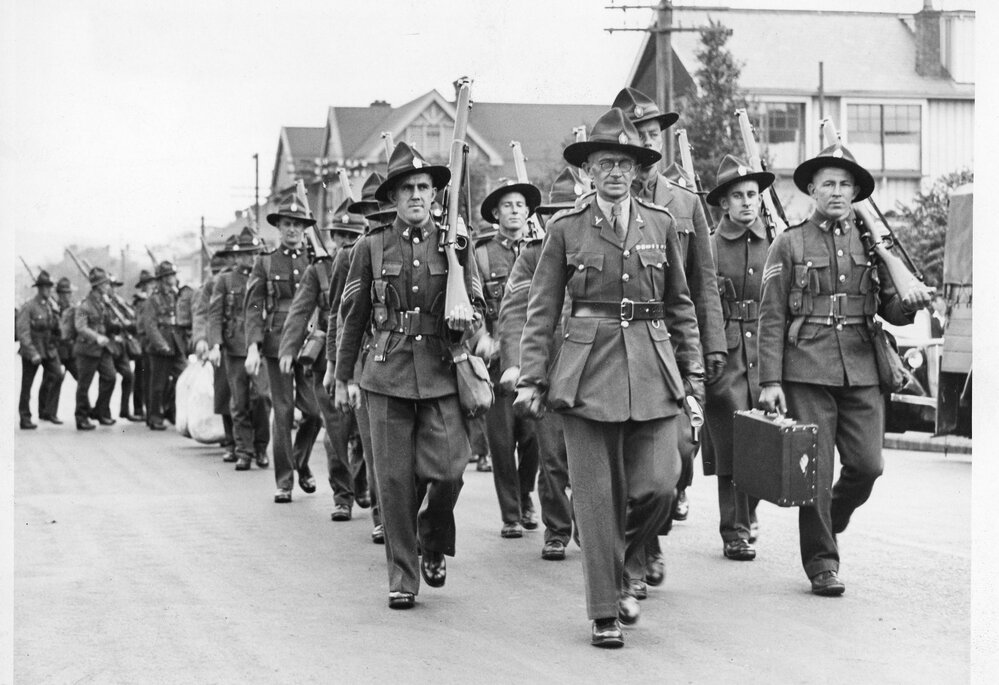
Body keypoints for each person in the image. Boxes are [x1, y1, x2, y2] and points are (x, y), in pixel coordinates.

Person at [514, 108, 703, 648]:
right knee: (596, 497)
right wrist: (531, 378)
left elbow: (681, 304)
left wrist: (692, 374)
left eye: (624, 162)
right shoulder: (565, 228)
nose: (616, 172)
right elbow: (541, 310)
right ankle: (603, 610)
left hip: (652, 366)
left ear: (638, 170)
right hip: (584, 374)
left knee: (660, 484)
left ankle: (624, 561)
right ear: (588, 172)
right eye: (605, 163)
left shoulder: (660, 224)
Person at [758, 143, 930, 596]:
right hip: (807, 367)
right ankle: (822, 563)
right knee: (814, 467)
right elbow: (771, 316)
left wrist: (910, 303)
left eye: (845, 184)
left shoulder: (874, 244)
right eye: (828, 183)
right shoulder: (789, 242)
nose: (837, 191)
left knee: (868, 466)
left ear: (855, 191)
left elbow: (890, 309)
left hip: (862, 365)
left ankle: (829, 520)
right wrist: (770, 382)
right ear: (812, 189)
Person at [334, 142, 482, 610]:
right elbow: (353, 316)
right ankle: (403, 576)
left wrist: (467, 317)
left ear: (435, 195)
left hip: (441, 371)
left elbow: (479, 306)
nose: (417, 195)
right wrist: (344, 376)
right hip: (386, 373)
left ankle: (433, 538)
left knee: (451, 471)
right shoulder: (371, 246)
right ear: (393, 199)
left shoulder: (456, 244)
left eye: (424, 187)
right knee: (394, 482)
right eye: (407, 189)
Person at [612, 86, 726, 590]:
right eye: (638, 134)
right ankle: (641, 552)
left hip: (672, 351)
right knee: (634, 462)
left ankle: (655, 523)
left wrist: (712, 348)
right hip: (619, 353)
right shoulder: (605, 200)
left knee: (679, 448)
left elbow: (701, 285)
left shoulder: (684, 204)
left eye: (653, 133)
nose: (646, 143)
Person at [496, 168, 585, 561]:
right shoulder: (533, 255)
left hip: (595, 369)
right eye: (556, 212)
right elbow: (515, 313)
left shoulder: (597, 248)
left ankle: (589, 524)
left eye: (572, 209)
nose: (563, 218)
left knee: (591, 457)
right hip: (549, 369)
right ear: (546, 217)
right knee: (553, 458)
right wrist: (517, 365)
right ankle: (556, 528)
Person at [701, 154, 772, 561]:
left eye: (752, 195)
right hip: (725, 355)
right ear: (723, 203)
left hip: (764, 352)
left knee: (763, 442)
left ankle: (748, 512)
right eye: (737, 196)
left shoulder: (776, 243)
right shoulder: (709, 246)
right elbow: (704, 302)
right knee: (731, 444)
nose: (747, 202)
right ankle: (735, 531)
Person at [280, 199, 368, 521]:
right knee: (336, 434)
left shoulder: (371, 260)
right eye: (340, 235)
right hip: (327, 363)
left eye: (352, 235)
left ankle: (361, 483)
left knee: (364, 434)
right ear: (332, 237)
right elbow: (300, 310)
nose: (345, 242)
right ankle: (343, 496)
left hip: (364, 360)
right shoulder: (318, 270)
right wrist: (288, 349)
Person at [324, 173, 395, 544]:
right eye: (372, 212)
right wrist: (342, 374)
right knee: (376, 449)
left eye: (384, 210)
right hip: (369, 361)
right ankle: (383, 516)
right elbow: (342, 317)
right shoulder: (352, 255)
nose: (379, 218)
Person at [473, 179, 544, 539]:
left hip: (533, 357)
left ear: (529, 212)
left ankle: (527, 493)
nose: (515, 210)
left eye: (520, 205)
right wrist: (480, 338)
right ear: (496, 214)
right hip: (496, 360)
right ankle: (511, 513)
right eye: (507, 205)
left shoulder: (542, 250)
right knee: (501, 441)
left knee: (532, 436)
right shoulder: (482, 254)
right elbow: (469, 304)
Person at [244, 181, 323, 503]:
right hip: (277, 344)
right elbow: (252, 307)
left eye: (298, 225)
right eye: (287, 224)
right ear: (278, 227)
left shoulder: (315, 261)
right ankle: (285, 480)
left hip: (310, 344)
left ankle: (301, 462)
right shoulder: (265, 262)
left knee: (315, 413)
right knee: (283, 412)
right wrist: (253, 345)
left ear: (305, 229)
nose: (293, 230)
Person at [208, 227, 272, 470]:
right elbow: (214, 315)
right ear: (235, 257)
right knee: (239, 401)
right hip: (234, 349)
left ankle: (260, 447)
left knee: (263, 398)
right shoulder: (224, 281)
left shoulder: (264, 277)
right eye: (245, 254)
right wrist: (215, 344)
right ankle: (244, 451)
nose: (250, 258)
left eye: (254, 253)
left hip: (260, 346)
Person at [193, 240, 237, 460]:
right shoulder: (213, 284)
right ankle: (231, 441)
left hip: (249, 343)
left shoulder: (254, 276)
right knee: (225, 392)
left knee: (255, 397)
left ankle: (254, 443)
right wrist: (201, 339)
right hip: (221, 344)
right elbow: (202, 313)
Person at [141, 261, 189, 431]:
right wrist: (161, 344)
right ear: (162, 279)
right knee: (158, 385)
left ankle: (170, 409)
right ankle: (155, 417)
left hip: (176, 344)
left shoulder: (177, 296)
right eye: (170, 276)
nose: (173, 279)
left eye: (173, 275)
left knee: (184, 378)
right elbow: (150, 325)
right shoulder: (153, 300)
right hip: (161, 347)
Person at [17, 270, 64, 429]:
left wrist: (57, 314)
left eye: (51, 287)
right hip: (33, 352)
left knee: (58, 374)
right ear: (40, 288)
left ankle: (48, 411)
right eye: (48, 287)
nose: (50, 290)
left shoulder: (50, 306)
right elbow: (23, 332)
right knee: (27, 385)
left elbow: (56, 329)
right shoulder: (29, 307)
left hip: (48, 349)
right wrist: (32, 353)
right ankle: (25, 417)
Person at [73, 267, 117, 431]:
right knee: (84, 385)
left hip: (103, 349)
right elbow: (80, 327)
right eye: (105, 283)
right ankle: (81, 417)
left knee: (110, 377)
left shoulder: (103, 303)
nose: (108, 286)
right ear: (98, 286)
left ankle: (100, 410)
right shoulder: (84, 306)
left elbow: (106, 322)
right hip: (87, 349)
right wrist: (96, 337)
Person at [44, 276, 78, 423]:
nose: (68, 296)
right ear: (59, 294)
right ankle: (47, 411)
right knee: (52, 379)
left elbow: (83, 321)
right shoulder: (52, 307)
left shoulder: (76, 308)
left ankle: (86, 409)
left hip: (70, 349)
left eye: (69, 293)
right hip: (56, 348)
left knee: (81, 377)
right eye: (65, 293)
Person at [131, 269, 156, 421]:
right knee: (141, 376)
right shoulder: (141, 301)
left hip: (149, 342)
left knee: (145, 376)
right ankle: (140, 408)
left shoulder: (153, 299)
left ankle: (145, 408)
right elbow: (140, 323)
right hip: (142, 342)